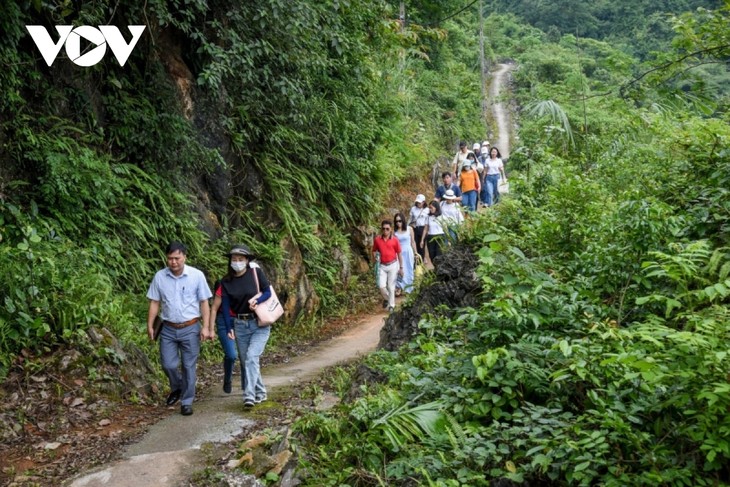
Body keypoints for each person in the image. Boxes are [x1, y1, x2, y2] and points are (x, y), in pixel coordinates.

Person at [146, 241, 212, 416]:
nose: (173, 262)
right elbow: (154, 301)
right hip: (168, 328)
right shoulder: (160, 276)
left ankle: (187, 401)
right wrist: (150, 325)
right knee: (168, 364)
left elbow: (204, 302)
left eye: (177, 258)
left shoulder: (196, 276)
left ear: (184, 257)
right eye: (170, 259)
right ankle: (177, 387)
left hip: (190, 327)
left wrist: (206, 327)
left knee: (189, 366)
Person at [209, 245, 273, 408]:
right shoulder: (226, 281)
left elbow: (268, 292)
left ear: (247, 261)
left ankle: (249, 396)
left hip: (259, 323)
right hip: (240, 325)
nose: (237, 262)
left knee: (252, 357)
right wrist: (229, 327)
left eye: (240, 259)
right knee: (246, 361)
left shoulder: (255, 273)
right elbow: (224, 306)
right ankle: (261, 392)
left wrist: (256, 301)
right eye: (234, 259)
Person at [372, 220, 403, 312]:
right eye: (383, 229)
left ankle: (391, 306)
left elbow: (399, 254)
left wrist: (401, 267)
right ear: (381, 229)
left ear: (391, 229)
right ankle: (387, 299)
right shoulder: (377, 239)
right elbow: (374, 250)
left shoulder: (395, 240)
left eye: (387, 229)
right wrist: (375, 257)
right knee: (381, 286)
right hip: (382, 266)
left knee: (391, 287)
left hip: (393, 265)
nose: (385, 231)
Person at [393, 212, 417, 295]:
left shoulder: (409, 229)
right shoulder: (395, 232)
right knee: (399, 269)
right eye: (396, 221)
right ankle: (398, 286)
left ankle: (409, 287)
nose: (398, 223)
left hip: (408, 251)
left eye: (400, 221)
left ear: (403, 220)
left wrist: (416, 253)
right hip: (399, 253)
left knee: (409, 269)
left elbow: (413, 242)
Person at [409, 194, 429, 263]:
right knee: (416, 243)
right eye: (417, 202)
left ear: (423, 202)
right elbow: (410, 219)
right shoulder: (413, 209)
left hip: (423, 228)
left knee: (422, 244)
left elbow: (427, 221)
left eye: (419, 203)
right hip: (415, 228)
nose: (418, 204)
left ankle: (423, 258)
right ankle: (417, 258)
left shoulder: (427, 210)